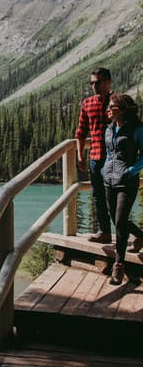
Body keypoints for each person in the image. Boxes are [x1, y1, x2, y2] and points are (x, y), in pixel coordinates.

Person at [102, 93, 143, 285]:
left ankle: (118, 265)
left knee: (119, 222)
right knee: (117, 220)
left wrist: (131, 171)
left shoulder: (137, 129)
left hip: (127, 181)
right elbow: (109, 153)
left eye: (111, 107)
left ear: (123, 109)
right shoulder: (109, 129)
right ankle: (141, 236)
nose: (108, 110)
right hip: (109, 181)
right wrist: (104, 169)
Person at [76, 68, 114, 242]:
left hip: (114, 159)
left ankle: (130, 233)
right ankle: (104, 232)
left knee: (114, 198)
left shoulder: (117, 101)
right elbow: (81, 132)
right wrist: (80, 155)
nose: (94, 86)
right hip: (95, 157)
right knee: (98, 196)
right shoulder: (87, 103)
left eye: (97, 82)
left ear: (108, 82)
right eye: (91, 82)